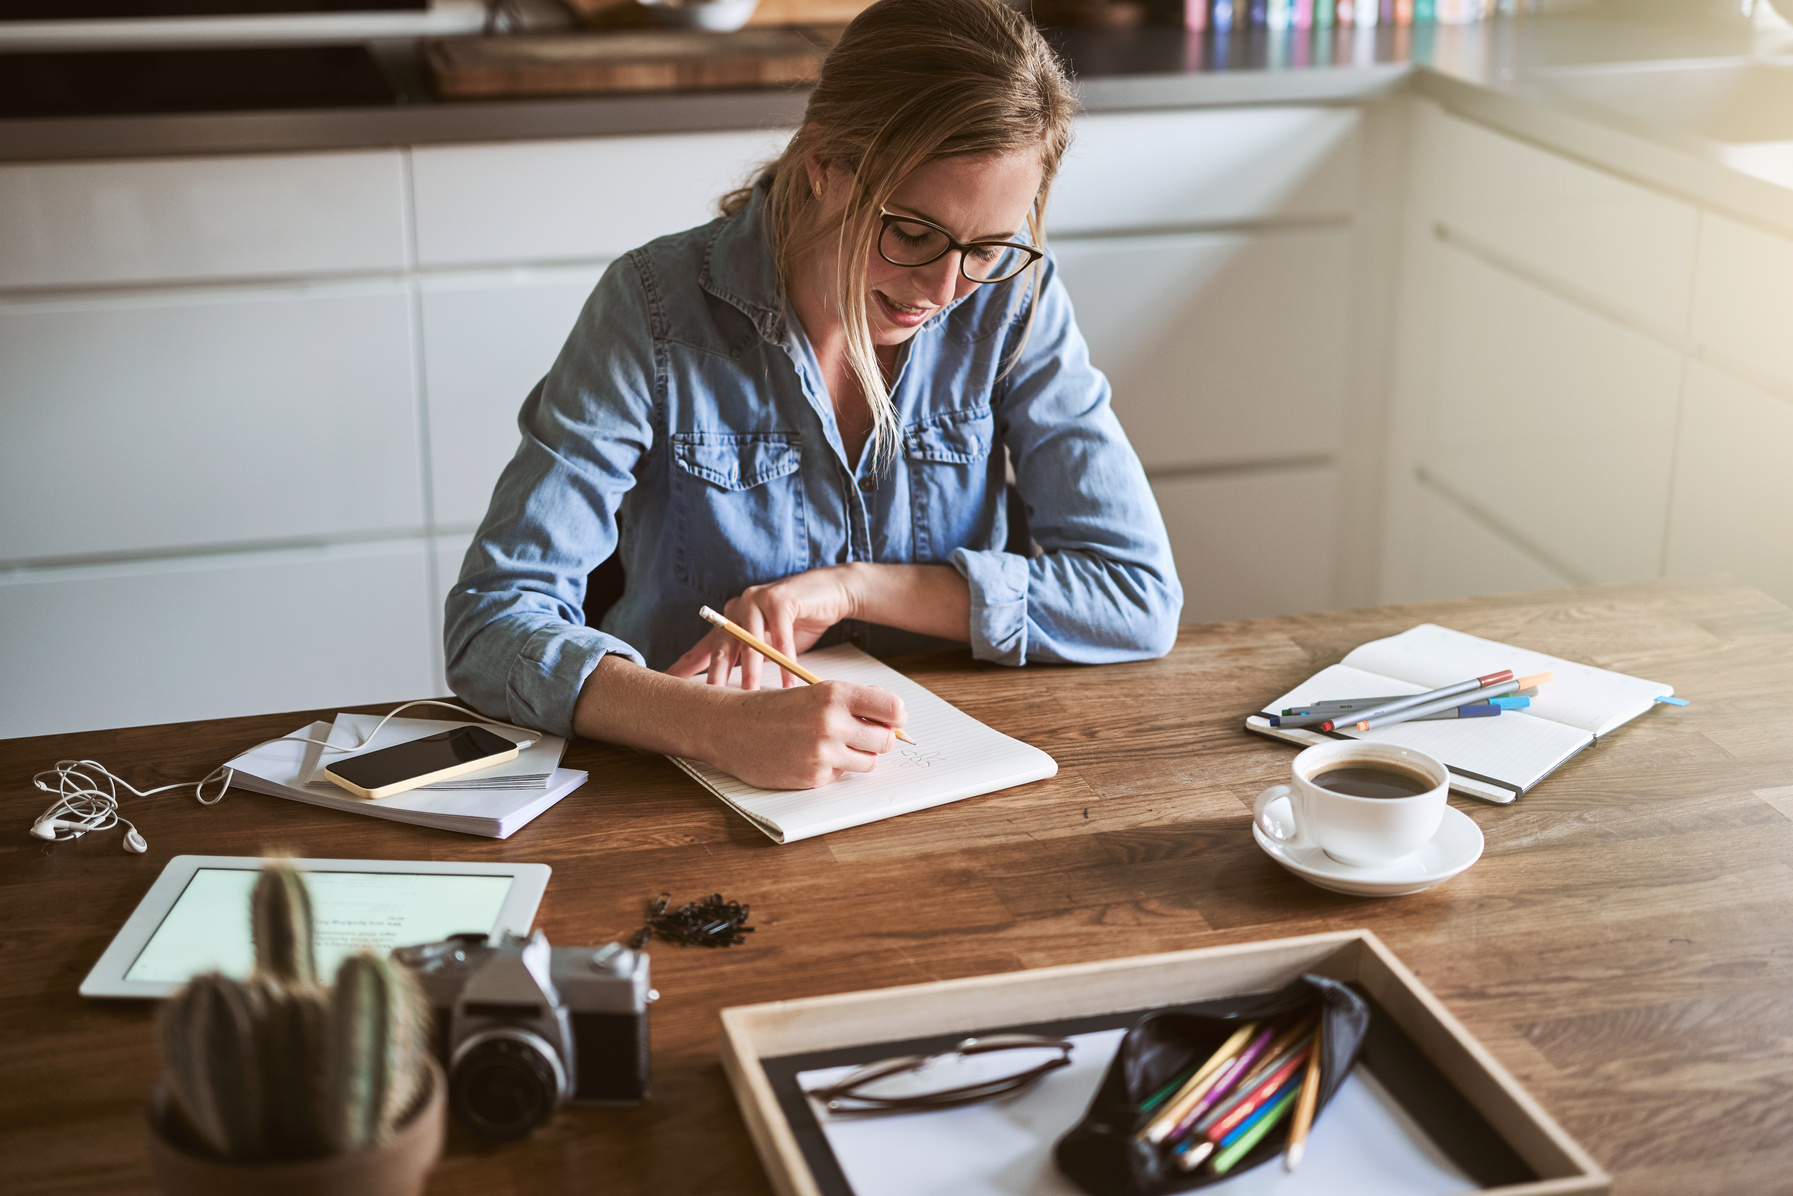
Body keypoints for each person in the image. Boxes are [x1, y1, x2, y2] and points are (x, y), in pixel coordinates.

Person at [445, 0, 1181, 791]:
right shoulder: (653, 309)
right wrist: (717, 727)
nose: (941, 289)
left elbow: (1133, 598)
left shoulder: (1013, 304)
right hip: (687, 788)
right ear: (822, 163)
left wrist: (856, 586)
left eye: (987, 247)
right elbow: (490, 626)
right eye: (911, 232)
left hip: (945, 785)